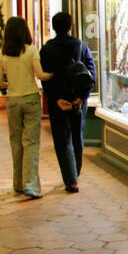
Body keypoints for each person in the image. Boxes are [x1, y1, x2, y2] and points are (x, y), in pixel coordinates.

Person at [0, 17, 53, 199]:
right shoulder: (31, 50)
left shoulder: (1, 53)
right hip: (30, 99)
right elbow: (40, 75)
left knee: (16, 142)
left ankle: (18, 183)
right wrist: (53, 75)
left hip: (12, 100)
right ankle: (31, 184)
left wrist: (11, 82)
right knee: (31, 142)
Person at [40, 12, 96, 193]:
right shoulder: (80, 46)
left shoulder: (47, 49)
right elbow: (90, 73)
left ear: (53, 27)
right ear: (70, 26)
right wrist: (83, 96)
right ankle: (75, 173)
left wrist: (55, 99)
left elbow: (45, 78)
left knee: (62, 140)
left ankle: (71, 180)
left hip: (59, 101)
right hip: (77, 100)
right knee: (77, 136)